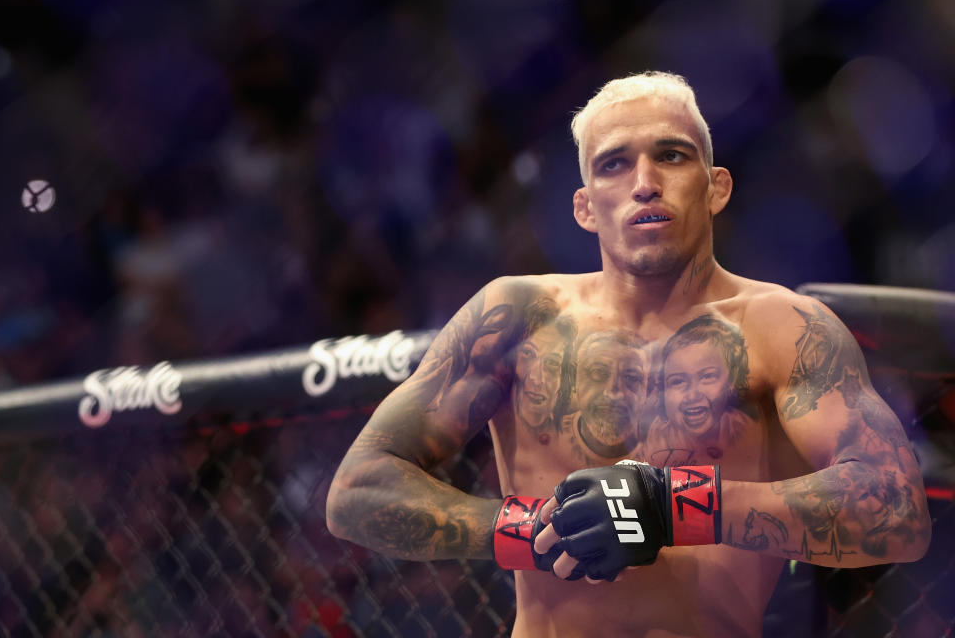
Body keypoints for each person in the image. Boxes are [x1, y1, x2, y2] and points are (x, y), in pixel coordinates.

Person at [326, 71, 931, 637]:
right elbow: (358, 490)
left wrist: (672, 505)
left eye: (671, 154)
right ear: (585, 206)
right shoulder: (515, 316)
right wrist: (530, 531)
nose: (645, 182)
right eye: (614, 163)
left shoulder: (782, 329)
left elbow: (896, 510)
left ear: (715, 186)